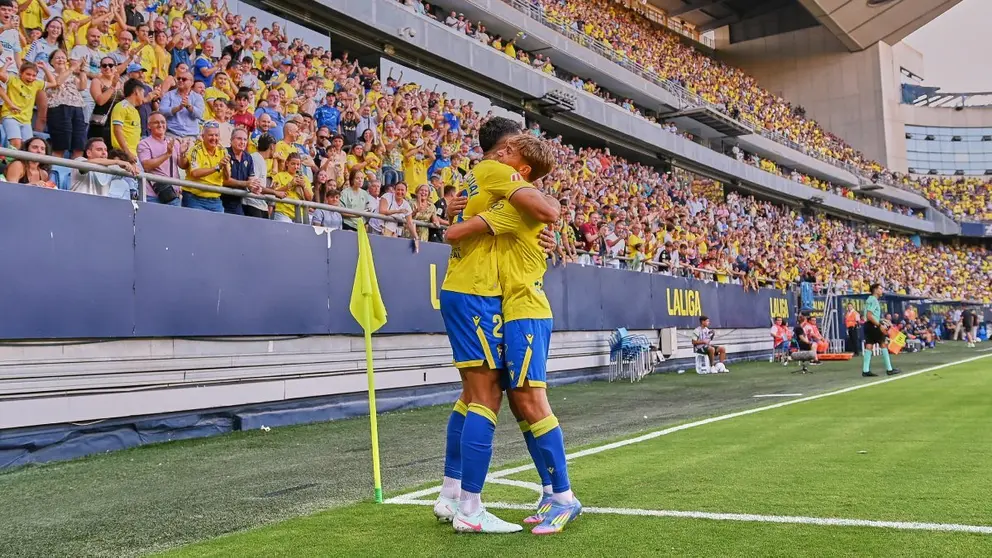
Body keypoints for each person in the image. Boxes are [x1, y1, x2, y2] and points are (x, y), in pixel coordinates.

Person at [443, 135, 579, 535]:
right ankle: (550, 491)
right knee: (517, 401)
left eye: (506, 154)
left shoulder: (510, 204)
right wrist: (455, 204)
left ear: (518, 171)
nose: (495, 156)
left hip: (526, 312)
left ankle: (564, 497)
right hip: (510, 310)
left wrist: (462, 212)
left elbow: (456, 233)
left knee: (528, 400)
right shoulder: (505, 198)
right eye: (499, 149)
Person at [0, 61, 56, 148]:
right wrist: (7, 63)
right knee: (16, 143)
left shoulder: (36, 84)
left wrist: (45, 68)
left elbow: (53, 83)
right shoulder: (13, 80)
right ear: (20, 73)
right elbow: (1, 74)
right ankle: (12, 162)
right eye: (28, 74)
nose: (31, 78)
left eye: (34, 75)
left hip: (26, 121)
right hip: (11, 116)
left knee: (28, 146)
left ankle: (21, 162)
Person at [180, 120, 228, 212]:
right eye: (211, 135)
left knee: (219, 226)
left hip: (215, 199)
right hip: (194, 198)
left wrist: (225, 167)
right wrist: (217, 167)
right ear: (203, 136)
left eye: (216, 135)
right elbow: (195, 173)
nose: (214, 138)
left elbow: (227, 177)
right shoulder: (195, 150)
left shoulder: (223, 151)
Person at [137, 112, 183, 205]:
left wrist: (183, 153)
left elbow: (182, 165)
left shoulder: (174, 142)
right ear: (149, 126)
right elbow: (147, 166)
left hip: (173, 194)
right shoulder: (144, 143)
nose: (160, 125)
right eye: (156, 122)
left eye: (163, 122)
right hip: (152, 195)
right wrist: (167, 154)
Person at [862, 283, 900, 377]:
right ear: (875, 290)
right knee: (883, 344)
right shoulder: (873, 300)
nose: (881, 290)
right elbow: (869, 315)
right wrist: (879, 325)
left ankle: (865, 370)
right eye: (880, 289)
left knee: (869, 345)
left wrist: (882, 320)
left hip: (868, 325)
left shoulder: (869, 300)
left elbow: (869, 315)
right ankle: (889, 369)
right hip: (873, 325)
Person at [222, 127, 261, 215]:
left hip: (237, 203)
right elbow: (224, 180)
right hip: (220, 200)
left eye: (245, 139)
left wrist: (254, 187)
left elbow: (251, 179)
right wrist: (246, 184)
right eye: (239, 139)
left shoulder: (248, 157)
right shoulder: (224, 153)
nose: (242, 142)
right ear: (231, 140)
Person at [270, 152, 313, 223]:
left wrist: (303, 186)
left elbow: (310, 198)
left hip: (300, 214)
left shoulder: (304, 178)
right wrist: (290, 184)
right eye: (293, 164)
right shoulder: (279, 175)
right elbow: (274, 191)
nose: (296, 167)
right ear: (287, 163)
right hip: (283, 212)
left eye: (298, 164)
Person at [159, 70, 203, 138]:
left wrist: (188, 106)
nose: (180, 80)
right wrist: (178, 108)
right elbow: (162, 111)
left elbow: (199, 114)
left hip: (191, 135)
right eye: (178, 78)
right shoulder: (168, 95)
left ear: (191, 82)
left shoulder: (198, 97)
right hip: (172, 134)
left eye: (184, 79)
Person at [110, 77, 145, 162]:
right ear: (136, 92)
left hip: (133, 154)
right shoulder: (121, 106)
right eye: (143, 93)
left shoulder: (135, 111)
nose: (144, 97)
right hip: (123, 154)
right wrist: (127, 152)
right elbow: (117, 130)